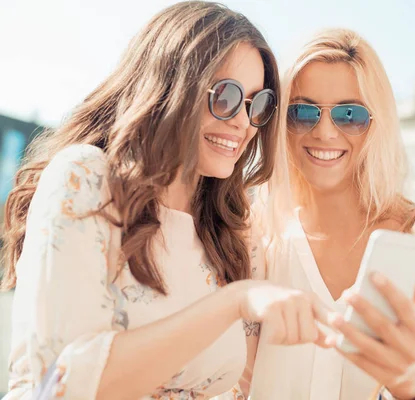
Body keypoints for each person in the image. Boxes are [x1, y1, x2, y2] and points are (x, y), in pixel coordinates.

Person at [1, 2, 327, 399]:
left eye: (257, 105)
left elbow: (247, 387)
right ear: (169, 88)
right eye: (225, 96)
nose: (242, 122)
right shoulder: (85, 179)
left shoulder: (233, 231)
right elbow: (62, 385)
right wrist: (233, 302)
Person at [249, 29, 415, 400]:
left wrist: (414, 381)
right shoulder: (258, 234)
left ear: (379, 122)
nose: (325, 131)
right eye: (303, 112)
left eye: (349, 114)